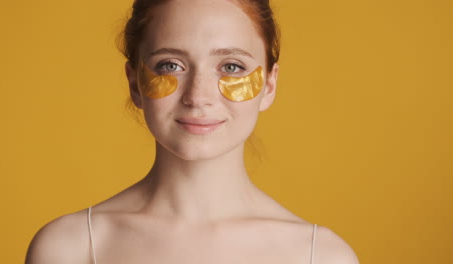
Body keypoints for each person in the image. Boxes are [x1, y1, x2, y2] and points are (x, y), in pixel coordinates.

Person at [26, 0, 359, 263]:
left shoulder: (322, 257)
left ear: (270, 84)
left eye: (231, 67)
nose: (197, 97)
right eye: (170, 65)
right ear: (135, 83)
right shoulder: (69, 249)